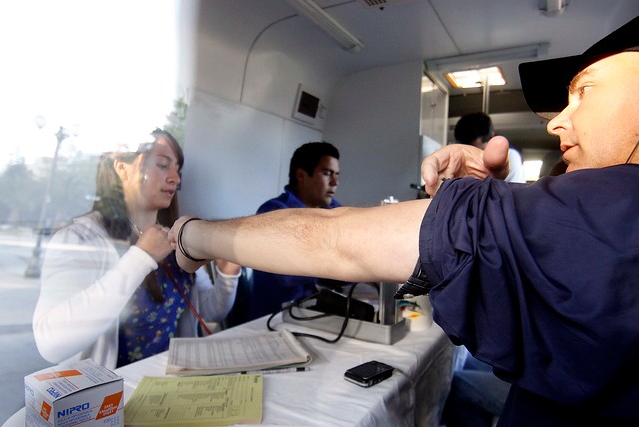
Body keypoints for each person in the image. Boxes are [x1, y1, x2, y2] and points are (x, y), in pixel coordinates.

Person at [169, 16, 639, 426]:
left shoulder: (611, 202)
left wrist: (195, 234)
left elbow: (334, 242)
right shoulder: (604, 214)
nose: (557, 121)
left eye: (585, 91)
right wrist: (492, 208)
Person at [33, 129, 241, 370]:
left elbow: (210, 311)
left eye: (177, 169)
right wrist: (141, 258)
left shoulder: (175, 240)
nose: (175, 178)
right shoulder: (80, 239)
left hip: (169, 389)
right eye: (163, 165)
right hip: (108, 401)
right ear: (122, 168)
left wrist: (228, 273)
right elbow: (51, 343)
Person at [247, 141, 342, 321]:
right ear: (301, 175)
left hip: (314, 313)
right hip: (273, 320)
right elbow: (285, 275)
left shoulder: (333, 210)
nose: (335, 182)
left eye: (337, 175)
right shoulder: (273, 212)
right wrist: (340, 266)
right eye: (327, 173)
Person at [454, 112, 526, 183]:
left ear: (491, 138)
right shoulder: (457, 158)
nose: (472, 156)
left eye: (478, 150)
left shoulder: (510, 156)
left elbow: (516, 189)